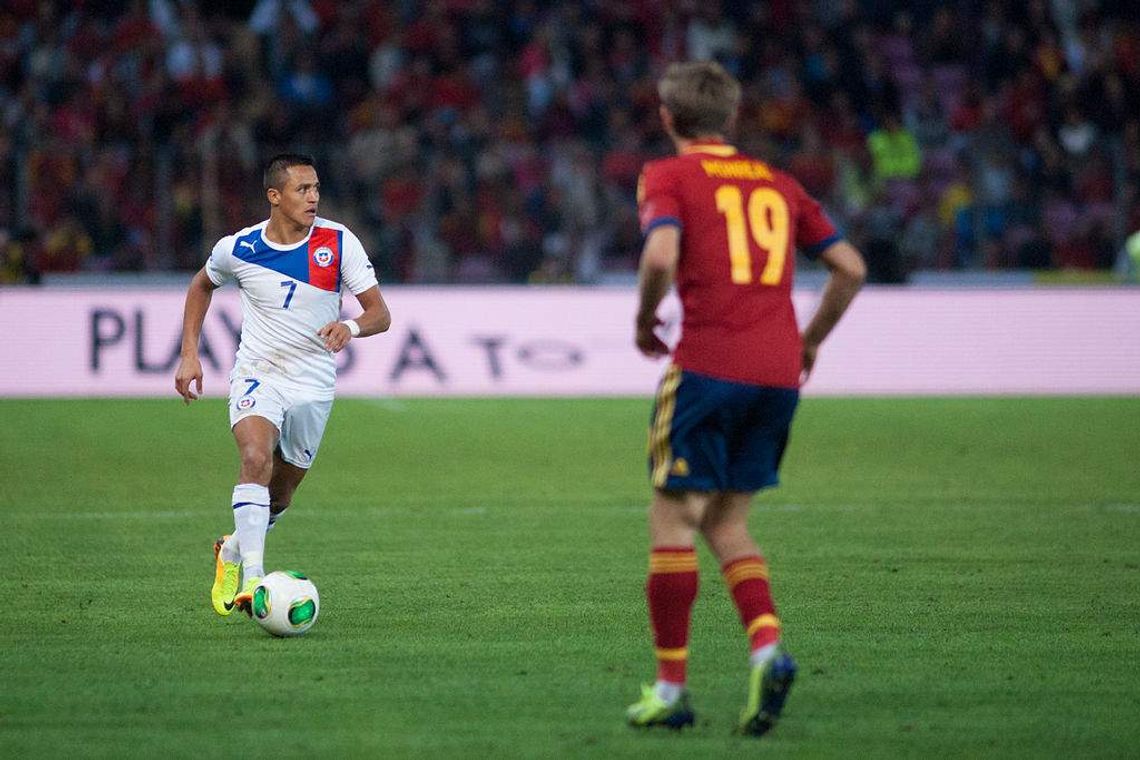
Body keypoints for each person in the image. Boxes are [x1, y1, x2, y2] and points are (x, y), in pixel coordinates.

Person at [627, 62, 865, 736]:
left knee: (673, 521)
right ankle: (767, 648)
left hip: (707, 368)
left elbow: (660, 256)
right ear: (731, 119)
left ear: (669, 118)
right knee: (728, 522)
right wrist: (810, 341)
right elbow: (851, 268)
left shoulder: (667, 175)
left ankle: (671, 691)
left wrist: (645, 319)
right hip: (777, 376)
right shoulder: (780, 184)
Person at [175, 153, 391, 617]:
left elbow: (380, 314)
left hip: (313, 382)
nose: (313, 197)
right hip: (259, 371)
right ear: (275, 196)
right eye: (302, 190)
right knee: (255, 457)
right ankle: (252, 580)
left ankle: (230, 549)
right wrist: (189, 352)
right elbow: (201, 285)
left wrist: (349, 328)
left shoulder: (338, 242)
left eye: (316, 189)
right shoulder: (239, 248)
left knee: (283, 492)